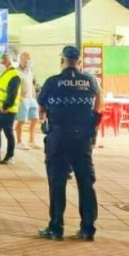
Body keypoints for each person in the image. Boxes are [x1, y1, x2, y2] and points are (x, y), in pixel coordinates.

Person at [37, 46, 103, 241]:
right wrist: (91, 120)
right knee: (85, 182)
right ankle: (87, 229)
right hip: (82, 138)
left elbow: (41, 106)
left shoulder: (52, 82)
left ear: (62, 61)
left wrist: (46, 119)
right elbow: (99, 99)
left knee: (57, 182)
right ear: (79, 62)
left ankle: (56, 228)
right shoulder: (90, 81)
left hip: (58, 138)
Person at [13, 53, 40, 150]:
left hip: (31, 99)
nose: (27, 62)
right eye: (26, 60)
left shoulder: (29, 72)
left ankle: (31, 140)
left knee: (35, 119)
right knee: (21, 120)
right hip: (22, 98)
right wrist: (19, 97)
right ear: (20, 59)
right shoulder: (16, 72)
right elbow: (14, 86)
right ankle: (19, 141)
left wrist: (34, 97)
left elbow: (32, 84)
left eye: (29, 60)